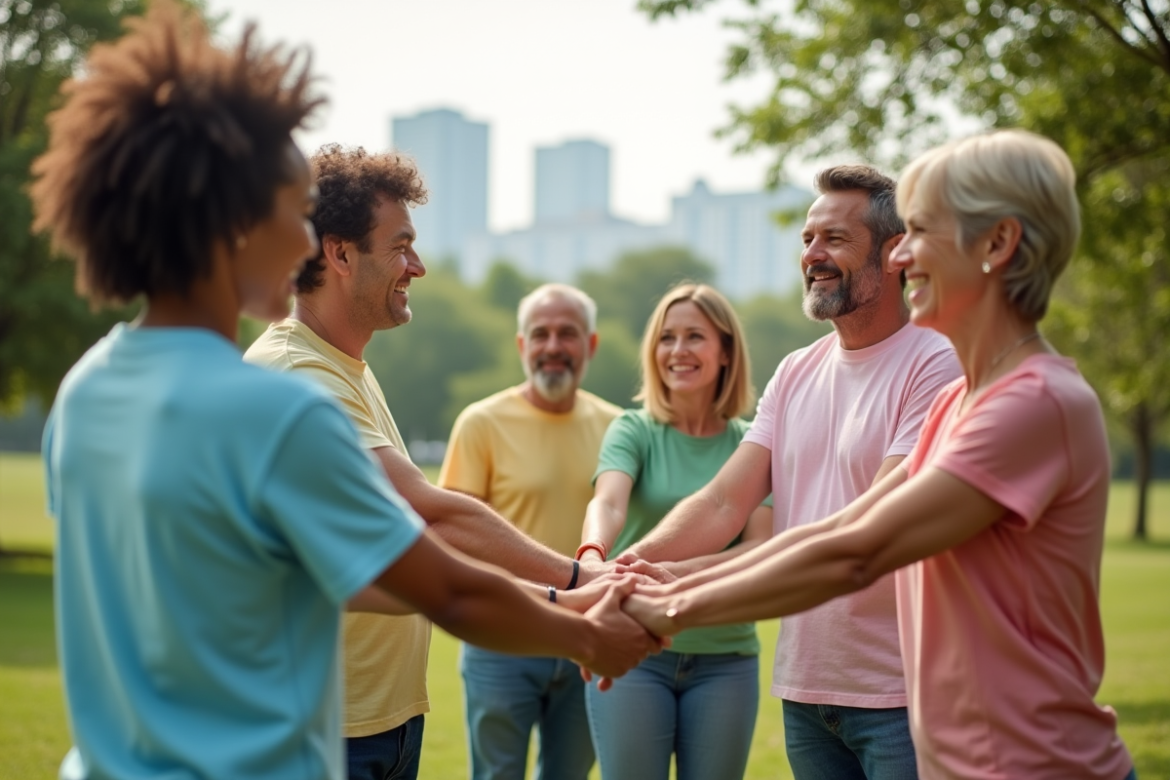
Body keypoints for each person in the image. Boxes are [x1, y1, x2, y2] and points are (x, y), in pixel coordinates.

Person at [31, 6, 658, 779]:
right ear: (232, 224)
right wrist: (586, 628)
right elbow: (440, 585)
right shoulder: (275, 411)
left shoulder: (85, 391)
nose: (304, 242)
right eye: (291, 212)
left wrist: (569, 598)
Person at [623, 130, 1137, 780]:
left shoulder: (1032, 404)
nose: (903, 254)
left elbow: (858, 550)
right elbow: (839, 529)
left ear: (997, 244)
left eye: (921, 231)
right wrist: (651, 579)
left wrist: (663, 608)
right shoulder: (961, 402)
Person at [244, 146, 618, 780]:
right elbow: (427, 517)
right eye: (401, 247)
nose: (416, 266)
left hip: (380, 720)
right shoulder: (299, 372)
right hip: (319, 729)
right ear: (340, 255)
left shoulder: (346, 367)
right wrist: (578, 584)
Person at [615, 165, 961, 779]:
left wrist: (670, 588)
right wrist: (626, 569)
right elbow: (723, 503)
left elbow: (867, 527)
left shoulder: (936, 364)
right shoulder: (797, 370)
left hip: (902, 695)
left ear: (895, 253)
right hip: (806, 692)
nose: (813, 255)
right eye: (807, 239)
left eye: (834, 239)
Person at [578, 283, 772, 780]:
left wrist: (666, 572)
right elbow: (608, 502)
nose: (678, 350)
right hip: (634, 645)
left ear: (726, 351)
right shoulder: (633, 429)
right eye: (667, 337)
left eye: (694, 336)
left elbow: (759, 548)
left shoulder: (754, 443)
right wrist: (593, 556)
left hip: (726, 658)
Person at [439, 283, 623, 780]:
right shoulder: (480, 423)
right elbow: (453, 534)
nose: (553, 346)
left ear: (591, 344)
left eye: (568, 333)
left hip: (585, 638)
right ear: (522, 345)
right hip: (501, 638)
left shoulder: (620, 428)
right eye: (540, 334)